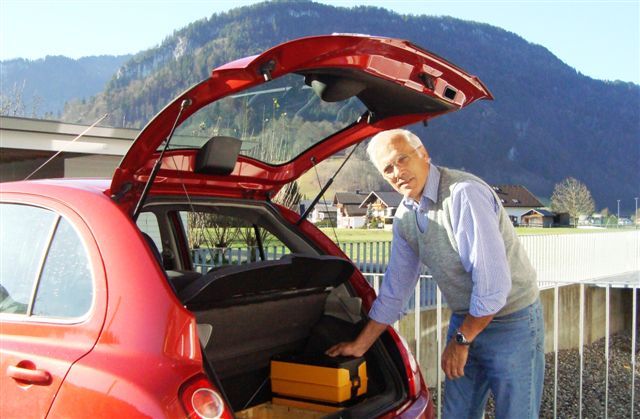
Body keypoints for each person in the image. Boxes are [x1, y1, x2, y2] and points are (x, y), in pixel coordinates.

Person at [326, 129, 544, 418]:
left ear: (424, 154)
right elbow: (395, 290)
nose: (397, 172)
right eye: (388, 169)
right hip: (465, 318)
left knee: (516, 414)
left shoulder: (463, 195)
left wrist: (461, 340)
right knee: (457, 414)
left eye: (402, 159)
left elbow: (493, 285)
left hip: (511, 321)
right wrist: (360, 344)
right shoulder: (405, 216)